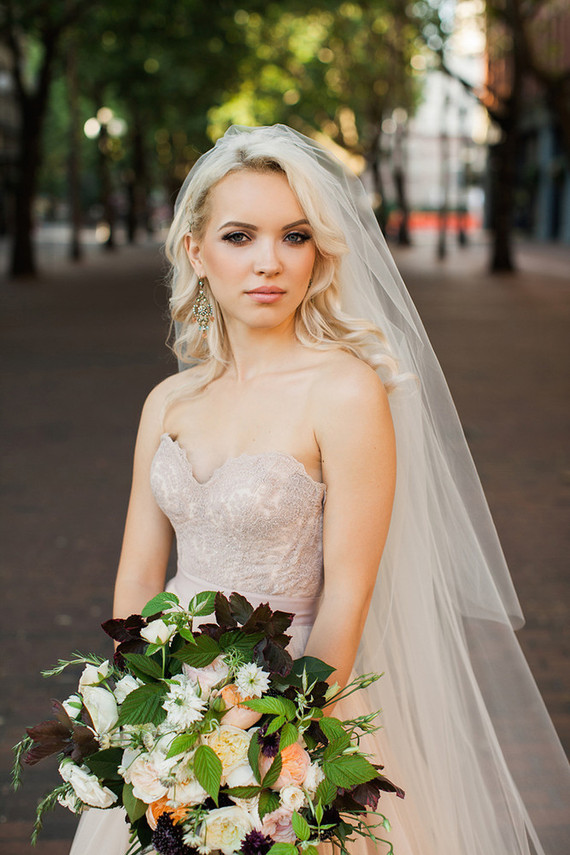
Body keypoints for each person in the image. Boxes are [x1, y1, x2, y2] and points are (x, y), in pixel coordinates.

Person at [69, 125, 569, 855]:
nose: (269, 262)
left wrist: (276, 732)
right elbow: (140, 575)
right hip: (168, 703)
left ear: (319, 251)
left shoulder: (344, 390)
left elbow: (346, 593)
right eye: (240, 236)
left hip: (296, 697)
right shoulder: (169, 401)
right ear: (195, 252)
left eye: (294, 236)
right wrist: (137, 715)